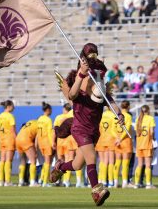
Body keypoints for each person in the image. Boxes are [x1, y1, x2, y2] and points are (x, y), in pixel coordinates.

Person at [50, 43, 124, 206]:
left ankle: (60, 168)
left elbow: (111, 102)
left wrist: (119, 114)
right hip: (80, 128)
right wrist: (81, 75)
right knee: (92, 157)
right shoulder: (80, 81)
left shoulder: (99, 84)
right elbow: (71, 94)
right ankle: (97, 191)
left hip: (93, 131)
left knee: (78, 164)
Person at [53, 103, 75, 187]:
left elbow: (55, 131)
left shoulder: (58, 117)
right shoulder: (72, 114)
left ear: (64, 109)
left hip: (59, 142)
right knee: (69, 160)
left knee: (59, 161)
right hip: (68, 141)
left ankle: (57, 180)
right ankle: (67, 181)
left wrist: (53, 141)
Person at [134, 105, 156, 189]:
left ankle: (136, 184)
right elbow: (152, 132)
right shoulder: (151, 119)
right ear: (148, 110)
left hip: (139, 145)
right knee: (148, 165)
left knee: (139, 164)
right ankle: (148, 184)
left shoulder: (137, 119)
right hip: (147, 144)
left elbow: (137, 134)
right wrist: (153, 138)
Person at [113, 100, 133, 188]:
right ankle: (125, 182)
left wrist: (117, 138)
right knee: (125, 163)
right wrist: (121, 139)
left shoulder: (116, 115)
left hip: (117, 142)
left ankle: (115, 182)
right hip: (125, 141)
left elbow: (112, 129)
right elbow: (127, 128)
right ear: (128, 106)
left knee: (117, 162)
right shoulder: (128, 116)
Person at [96, 107, 116, 187]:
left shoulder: (100, 115)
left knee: (102, 161)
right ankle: (111, 181)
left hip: (101, 140)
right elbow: (114, 129)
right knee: (111, 162)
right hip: (111, 140)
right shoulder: (113, 115)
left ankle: (102, 180)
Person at [0, 100, 16, 187]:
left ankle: (1, 181)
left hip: (2, 139)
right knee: (8, 160)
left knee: (2, 160)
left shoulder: (0, 116)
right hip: (9, 139)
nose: (14, 108)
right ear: (8, 106)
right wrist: (16, 141)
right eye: (12, 106)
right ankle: (7, 181)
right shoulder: (10, 116)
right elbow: (13, 131)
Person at [16, 120, 39, 187]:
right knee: (33, 161)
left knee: (22, 162)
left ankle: (20, 182)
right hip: (26, 140)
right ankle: (32, 182)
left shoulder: (31, 122)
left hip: (18, 139)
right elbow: (37, 139)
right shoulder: (40, 125)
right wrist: (36, 150)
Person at [37, 102, 53, 187]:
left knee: (44, 162)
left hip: (41, 143)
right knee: (47, 162)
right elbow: (50, 133)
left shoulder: (40, 118)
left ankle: (41, 179)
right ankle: (45, 182)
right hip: (47, 142)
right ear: (48, 110)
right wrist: (52, 143)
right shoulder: (48, 120)